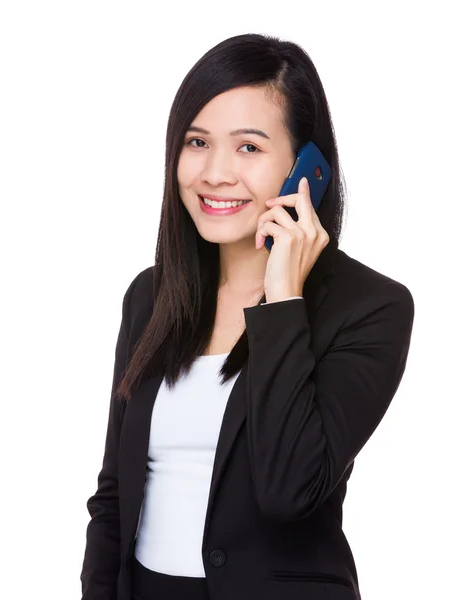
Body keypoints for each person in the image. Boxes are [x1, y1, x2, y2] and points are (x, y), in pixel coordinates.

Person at [80, 33, 415, 600]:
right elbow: (113, 496)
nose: (214, 173)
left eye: (249, 148)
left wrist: (284, 298)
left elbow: (289, 491)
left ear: (306, 167)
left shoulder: (370, 308)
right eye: (197, 142)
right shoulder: (150, 296)